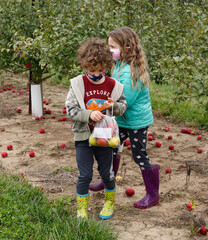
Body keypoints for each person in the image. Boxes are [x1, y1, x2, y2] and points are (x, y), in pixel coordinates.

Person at [89, 27, 159, 209]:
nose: (109, 50)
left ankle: (153, 194)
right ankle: (106, 180)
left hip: (135, 122)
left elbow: (123, 102)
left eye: (113, 46)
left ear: (126, 47)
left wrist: (102, 106)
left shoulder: (130, 72)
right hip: (121, 119)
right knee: (111, 149)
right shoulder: (119, 65)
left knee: (140, 156)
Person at [65, 37, 127, 219]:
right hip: (83, 136)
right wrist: (88, 114)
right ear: (84, 65)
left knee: (107, 173)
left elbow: (122, 107)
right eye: (91, 70)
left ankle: (109, 202)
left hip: (105, 136)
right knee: (85, 174)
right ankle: (82, 209)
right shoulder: (77, 84)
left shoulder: (113, 86)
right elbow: (70, 110)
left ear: (106, 67)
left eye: (100, 70)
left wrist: (112, 106)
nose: (95, 74)